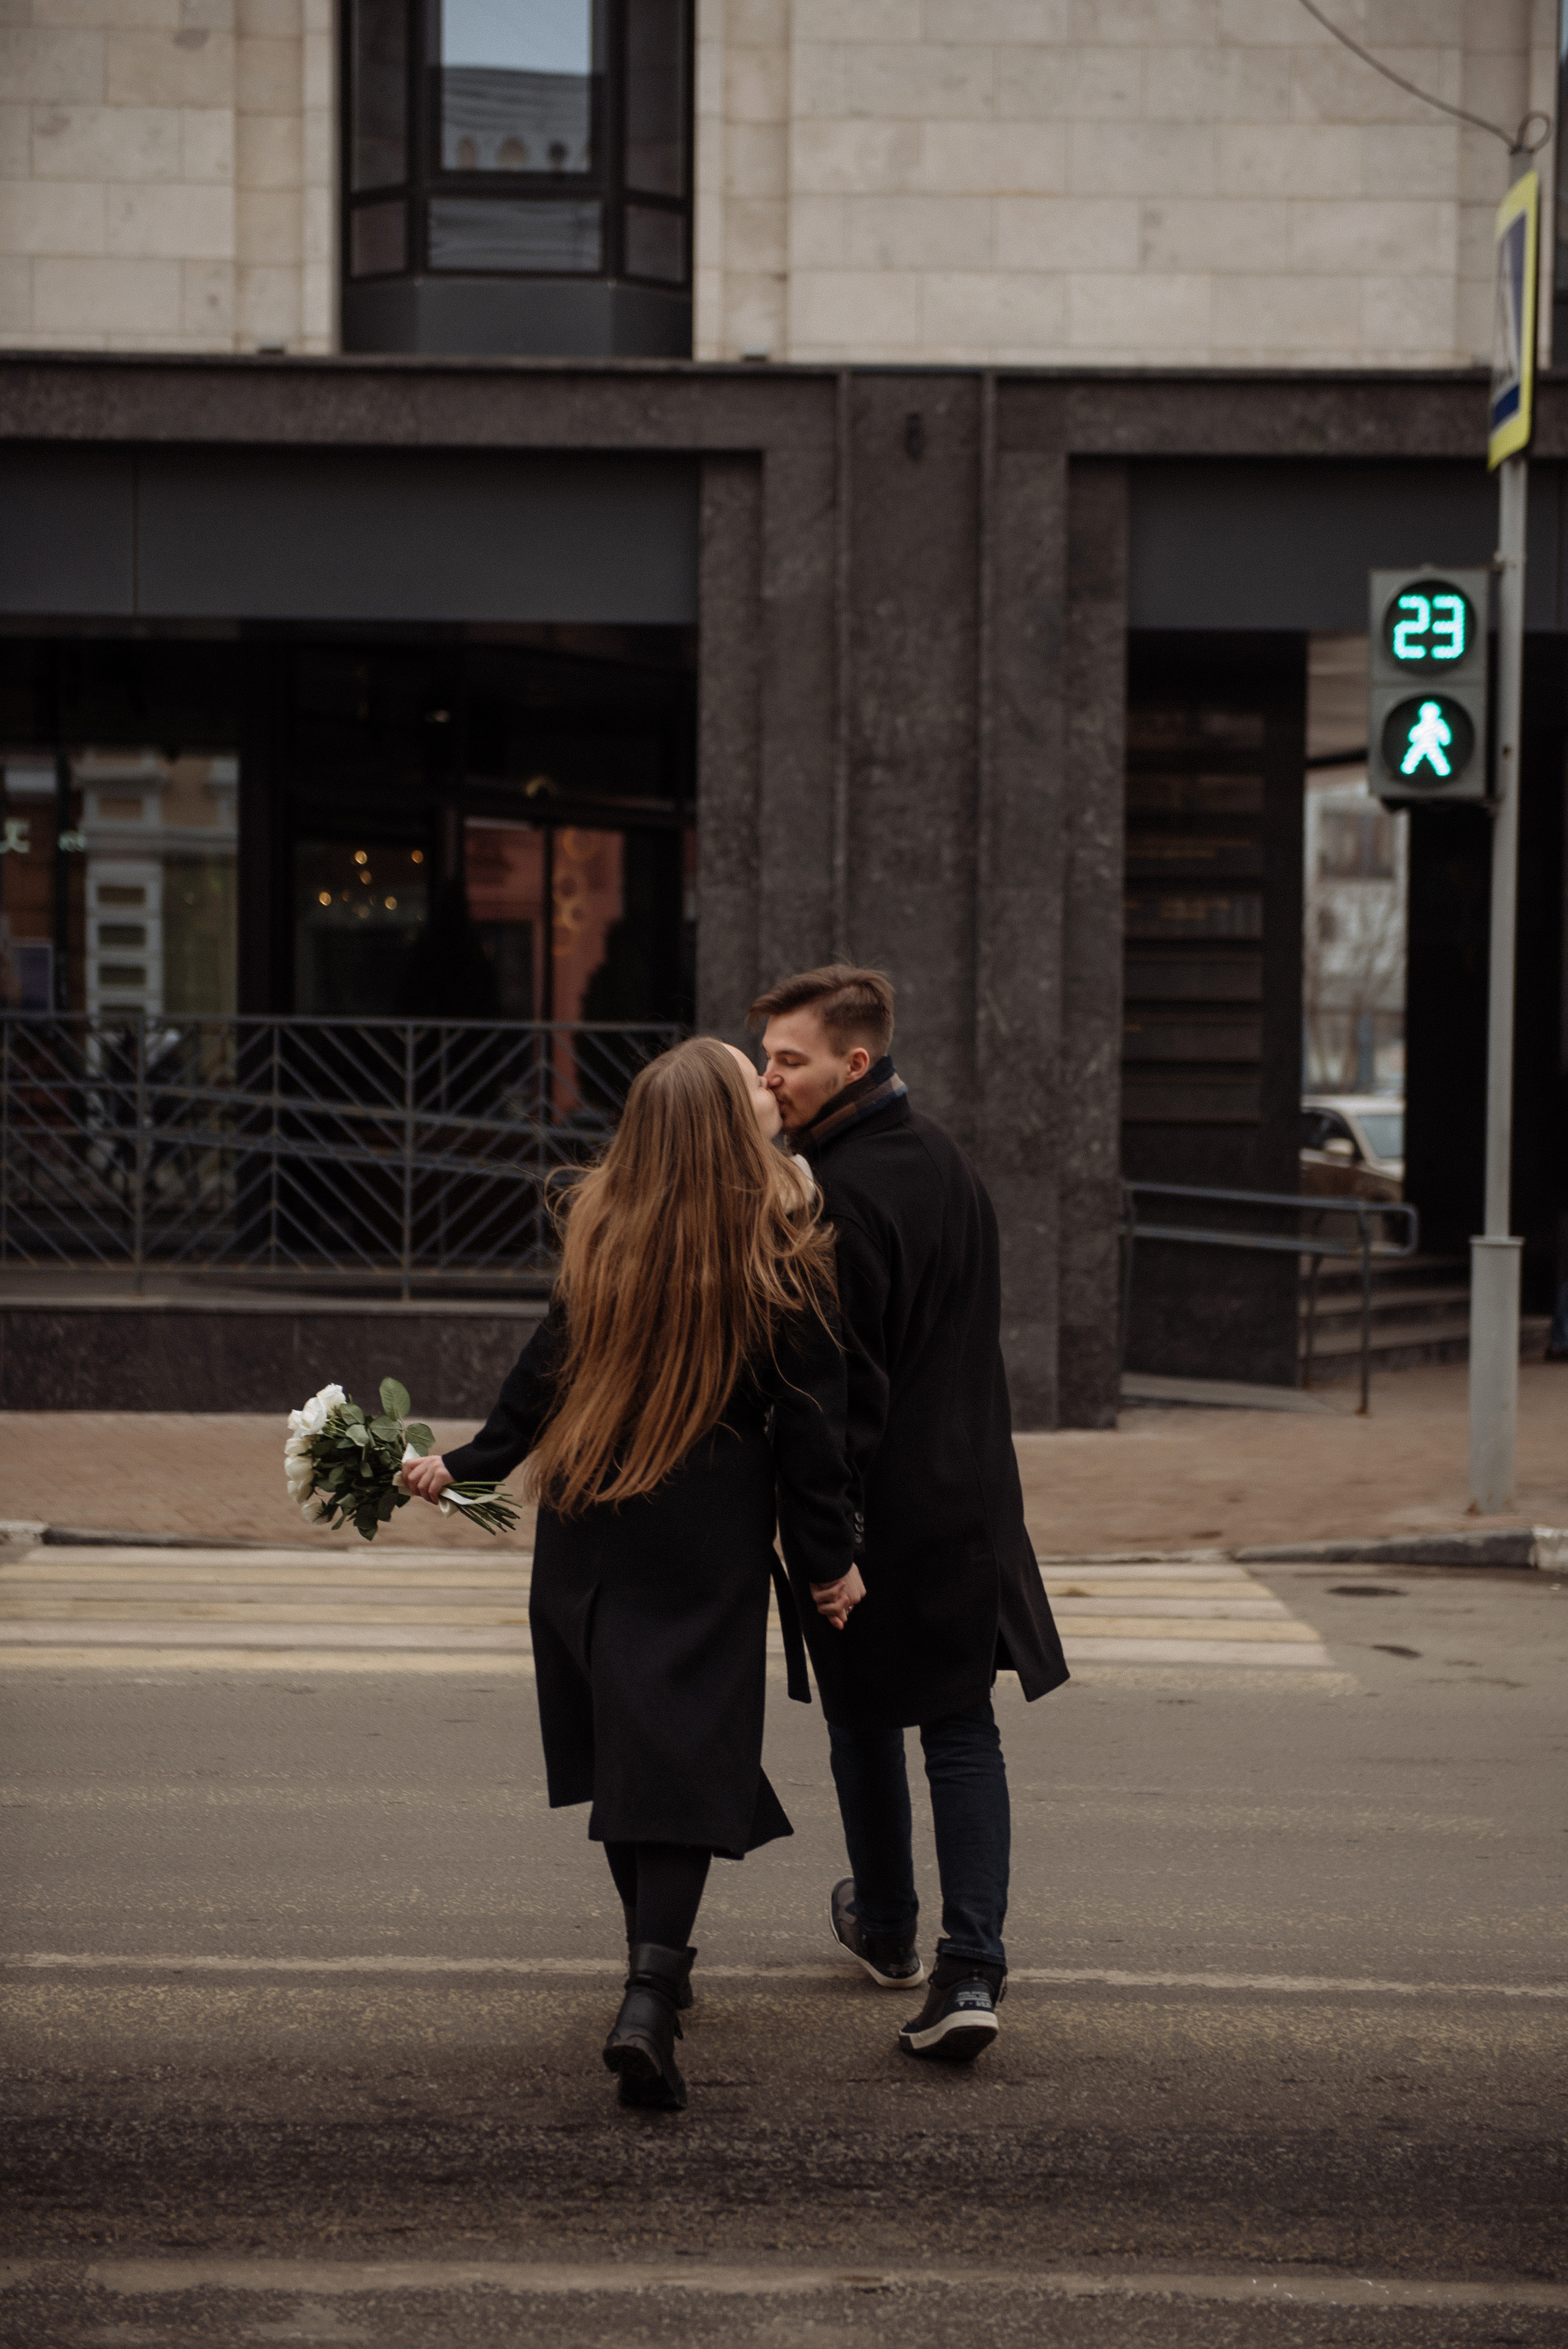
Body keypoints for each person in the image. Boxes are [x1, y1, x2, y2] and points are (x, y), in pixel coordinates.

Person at [403, 1037, 861, 2114]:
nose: (766, 1086)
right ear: (718, 1127)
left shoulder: (601, 1234)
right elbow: (812, 1432)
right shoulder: (780, 1248)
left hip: (587, 1530)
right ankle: (650, 1989)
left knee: (629, 1754)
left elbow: (539, 1379)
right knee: (684, 1759)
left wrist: (462, 1463)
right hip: (704, 1539)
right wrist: (830, 1564)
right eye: (748, 1079)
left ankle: (653, 1971)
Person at [750, 964, 1068, 2064]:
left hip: (882, 1510)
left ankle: (890, 1927)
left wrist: (827, 1542)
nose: (767, 1076)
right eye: (765, 1057)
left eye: (787, 1059)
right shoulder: (946, 1159)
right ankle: (969, 1964)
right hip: (973, 1495)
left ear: (853, 1061)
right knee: (961, 1727)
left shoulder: (830, 1193)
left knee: (862, 1715)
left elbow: (834, 1390)